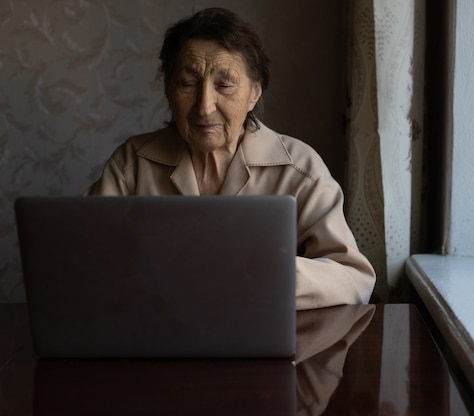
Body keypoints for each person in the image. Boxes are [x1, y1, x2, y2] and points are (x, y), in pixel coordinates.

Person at [87, 7, 375, 310]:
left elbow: (354, 279)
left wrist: (265, 274)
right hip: (154, 333)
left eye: (224, 85)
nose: (204, 106)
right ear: (168, 91)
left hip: (262, 341)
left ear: (254, 94)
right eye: (187, 84)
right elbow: (82, 258)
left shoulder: (298, 169)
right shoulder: (133, 164)